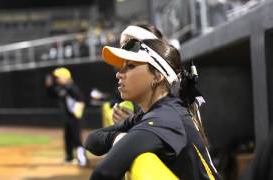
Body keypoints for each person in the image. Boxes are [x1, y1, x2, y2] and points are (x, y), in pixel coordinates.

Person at [85, 38, 221, 179]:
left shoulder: (166, 118)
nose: (119, 73)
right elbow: (92, 139)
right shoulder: (154, 112)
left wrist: (123, 139)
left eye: (130, 66)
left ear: (157, 76)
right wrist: (118, 137)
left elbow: (103, 173)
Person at [45, 67, 88, 166]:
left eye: (59, 77)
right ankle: (69, 158)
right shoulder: (63, 88)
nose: (57, 79)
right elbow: (53, 93)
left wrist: (78, 113)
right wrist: (49, 86)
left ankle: (82, 159)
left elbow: (81, 100)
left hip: (76, 117)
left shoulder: (71, 87)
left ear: (65, 77)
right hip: (68, 117)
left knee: (77, 139)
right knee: (68, 137)